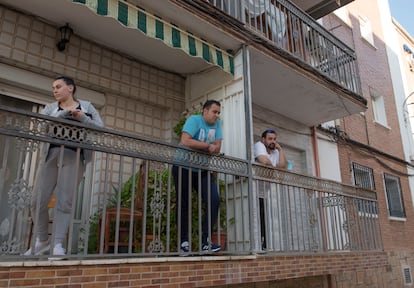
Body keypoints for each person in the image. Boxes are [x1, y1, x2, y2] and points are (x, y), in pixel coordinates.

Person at [24, 76, 104, 257]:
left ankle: (58, 243)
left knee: (65, 201)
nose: (55, 90)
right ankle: (42, 240)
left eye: (58, 86)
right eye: (53, 87)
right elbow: (41, 125)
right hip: (50, 155)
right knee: (37, 200)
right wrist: (60, 115)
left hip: (74, 155)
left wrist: (83, 118)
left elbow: (100, 128)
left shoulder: (87, 107)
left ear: (70, 88)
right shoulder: (50, 108)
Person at [172, 100, 222, 254]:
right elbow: (185, 141)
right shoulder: (194, 120)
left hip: (202, 169)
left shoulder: (217, 124)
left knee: (214, 199)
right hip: (183, 167)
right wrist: (207, 146)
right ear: (205, 111)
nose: (217, 115)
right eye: (214, 112)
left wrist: (210, 147)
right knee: (184, 203)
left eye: (218, 112)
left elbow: (218, 148)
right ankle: (184, 242)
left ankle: (205, 242)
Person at [254, 129, 287, 250]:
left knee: (264, 219)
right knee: (255, 219)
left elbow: (283, 167)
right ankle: (257, 245)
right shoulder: (259, 145)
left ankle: (264, 245)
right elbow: (264, 161)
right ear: (263, 140)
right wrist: (274, 169)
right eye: (270, 139)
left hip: (265, 193)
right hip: (253, 191)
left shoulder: (276, 152)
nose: (273, 141)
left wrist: (281, 149)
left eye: (274, 139)